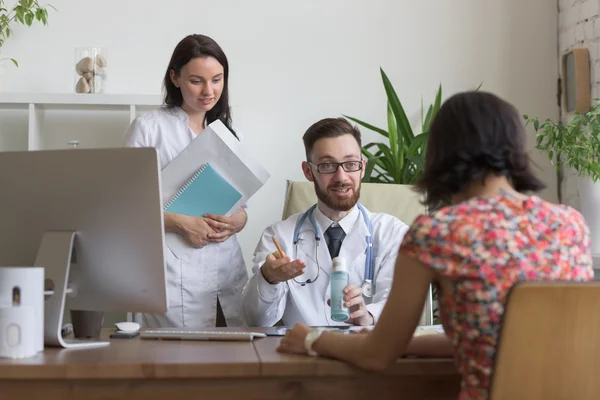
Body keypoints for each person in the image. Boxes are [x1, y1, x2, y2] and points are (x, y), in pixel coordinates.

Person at [276, 91, 594, 400]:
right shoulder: (571, 224)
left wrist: (314, 338)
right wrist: (404, 341)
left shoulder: (438, 234)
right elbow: (503, 337)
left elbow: (377, 356)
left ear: (441, 154)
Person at [124, 34, 248, 328]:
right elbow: (127, 208)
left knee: (231, 356)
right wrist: (181, 223)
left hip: (226, 270)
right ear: (175, 78)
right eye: (197, 81)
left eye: (217, 79)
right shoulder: (149, 129)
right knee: (178, 363)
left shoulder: (231, 134)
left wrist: (239, 221)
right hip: (173, 272)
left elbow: (243, 204)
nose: (209, 90)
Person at [241, 117, 409, 327]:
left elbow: (401, 306)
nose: (342, 176)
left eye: (350, 164)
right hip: (301, 355)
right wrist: (268, 279)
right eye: (328, 165)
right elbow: (256, 321)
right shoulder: (279, 237)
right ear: (308, 171)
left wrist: (368, 316)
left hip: (366, 354)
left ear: (362, 168)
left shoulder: (392, 233)